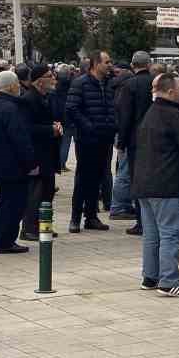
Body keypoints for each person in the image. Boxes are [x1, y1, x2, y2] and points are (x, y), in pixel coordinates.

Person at [135, 71, 179, 297]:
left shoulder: (151, 113)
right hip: (169, 185)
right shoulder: (174, 115)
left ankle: (150, 276)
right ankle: (169, 281)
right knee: (171, 234)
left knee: (152, 235)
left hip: (145, 185)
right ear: (172, 91)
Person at [0, 71, 37, 254]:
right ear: (12, 86)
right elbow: (20, 139)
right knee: (15, 203)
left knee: (4, 201)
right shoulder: (10, 108)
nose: (19, 87)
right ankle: (6, 241)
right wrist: (31, 163)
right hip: (11, 165)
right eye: (17, 84)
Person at [65, 51, 116, 233]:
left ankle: (91, 216)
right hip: (87, 139)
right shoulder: (81, 83)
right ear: (95, 64)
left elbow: (111, 107)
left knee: (98, 177)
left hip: (104, 138)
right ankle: (75, 217)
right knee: (83, 178)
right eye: (107, 62)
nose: (110, 65)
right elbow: (72, 108)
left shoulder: (108, 84)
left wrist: (112, 125)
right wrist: (89, 126)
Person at [113, 51, 155, 231]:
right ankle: (152, 219)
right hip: (155, 138)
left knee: (137, 180)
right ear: (149, 64)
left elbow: (125, 116)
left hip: (135, 140)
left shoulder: (130, 86)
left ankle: (141, 221)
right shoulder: (156, 82)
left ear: (132, 65)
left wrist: (121, 142)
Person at [20, 65, 62, 241]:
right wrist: (50, 129)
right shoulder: (29, 99)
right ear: (39, 81)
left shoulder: (47, 97)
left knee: (47, 191)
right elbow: (27, 128)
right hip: (37, 153)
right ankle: (29, 228)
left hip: (48, 152)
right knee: (36, 192)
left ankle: (44, 225)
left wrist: (56, 125)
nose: (53, 79)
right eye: (49, 76)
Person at [53, 64, 74, 172]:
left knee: (59, 142)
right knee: (66, 141)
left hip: (58, 117)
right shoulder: (72, 85)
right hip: (68, 117)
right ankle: (62, 163)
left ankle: (58, 163)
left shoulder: (55, 87)